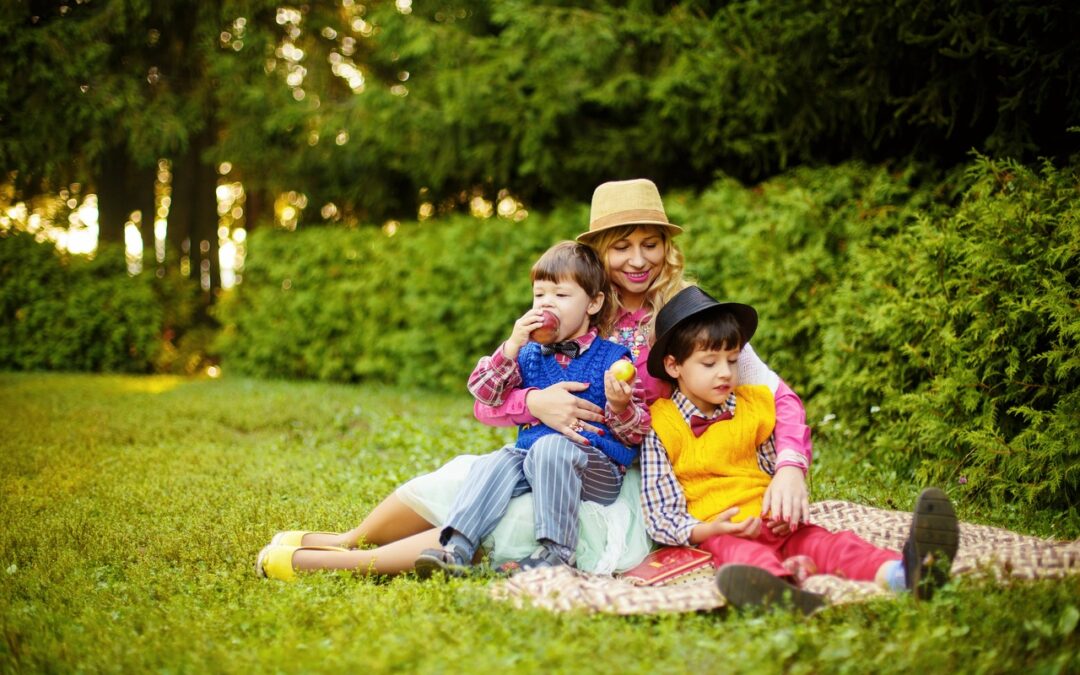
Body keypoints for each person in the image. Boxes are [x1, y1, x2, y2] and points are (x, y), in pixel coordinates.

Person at [255, 179, 810, 580]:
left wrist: (789, 467)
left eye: (650, 243)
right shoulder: (568, 308)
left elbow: (774, 395)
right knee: (467, 479)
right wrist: (536, 402)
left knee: (514, 517)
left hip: (634, 475)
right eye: (620, 245)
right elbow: (490, 402)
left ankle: (345, 563)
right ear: (596, 253)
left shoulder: (689, 315)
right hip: (547, 447)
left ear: (668, 247)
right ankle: (347, 539)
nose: (637, 260)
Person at [640, 285, 961, 613]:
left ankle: (907, 575)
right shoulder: (660, 426)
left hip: (774, 521)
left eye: (733, 360)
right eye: (709, 363)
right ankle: (781, 594)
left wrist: (784, 512)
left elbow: (771, 471)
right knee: (745, 558)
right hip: (725, 529)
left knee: (833, 544)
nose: (725, 372)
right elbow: (662, 515)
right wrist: (711, 528)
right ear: (673, 366)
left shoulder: (754, 405)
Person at [412, 241, 650, 577]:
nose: (547, 304)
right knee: (496, 459)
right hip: (533, 460)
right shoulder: (526, 354)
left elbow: (636, 432)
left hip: (596, 469)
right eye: (540, 295)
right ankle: (456, 549)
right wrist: (510, 346)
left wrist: (620, 405)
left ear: (593, 303)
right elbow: (484, 394)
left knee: (551, 447)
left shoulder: (613, 359)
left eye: (561, 296)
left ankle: (556, 553)